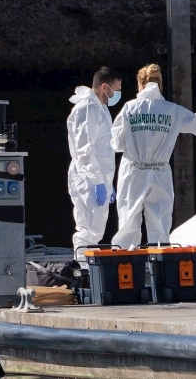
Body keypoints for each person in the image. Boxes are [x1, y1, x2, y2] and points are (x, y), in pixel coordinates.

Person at [110, 64, 196, 249]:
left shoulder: (130, 108)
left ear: (140, 84)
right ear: (160, 85)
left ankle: (125, 269)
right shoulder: (172, 110)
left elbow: (117, 144)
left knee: (128, 223)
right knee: (159, 224)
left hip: (134, 171)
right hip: (160, 172)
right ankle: (160, 269)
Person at [67, 66, 123, 264]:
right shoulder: (88, 109)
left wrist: (108, 182)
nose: (117, 94)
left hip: (98, 178)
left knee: (96, 228)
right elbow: (84, 150)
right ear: (104, 86)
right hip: (88, 178)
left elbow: (103, 148)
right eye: (115, 89)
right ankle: (82, 270)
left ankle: (88, 270)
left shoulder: (100, 108)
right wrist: (100, 181)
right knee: (88, 229)